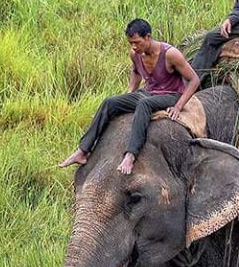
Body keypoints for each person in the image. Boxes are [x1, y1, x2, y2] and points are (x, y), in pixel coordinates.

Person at [60, 18, 200, 175]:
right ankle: (83, 150)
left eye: (137, 42)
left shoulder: (170, 54)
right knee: (110, 102)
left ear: (148, 37)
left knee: (145, 104)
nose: (134, 46)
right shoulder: (135, 54)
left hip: (170, 94)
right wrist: (130, 92)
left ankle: (131, 155)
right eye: (131, 43)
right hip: (149, 92)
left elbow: (194, 79)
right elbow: (135, 71)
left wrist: (178, 106)